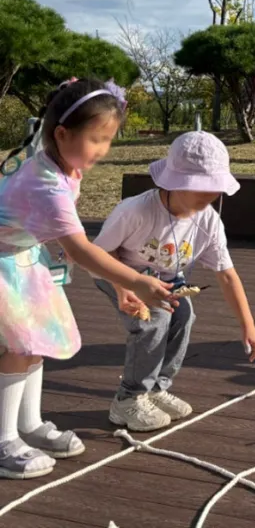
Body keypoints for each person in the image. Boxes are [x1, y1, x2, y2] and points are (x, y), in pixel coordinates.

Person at [0, 79, 175, 480]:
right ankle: (4, 439)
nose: (103, 149)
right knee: (20, 346)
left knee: (38, 342)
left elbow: (73, 244)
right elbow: (80, 248)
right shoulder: (45, 185)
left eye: (108, 139)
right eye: (96, 139)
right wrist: (137, 280)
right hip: (5, 261)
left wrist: (120, 285)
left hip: (23, 258)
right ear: (62, 134)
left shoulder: (61, 165)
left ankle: (29, 424)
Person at [93, 131, 255, 432]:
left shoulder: (208, 221)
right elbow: (100, 253)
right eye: (200, 188)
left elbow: (227, 275)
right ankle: (128, 398)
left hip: (165, 278)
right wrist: (124, 288)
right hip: (117, 271)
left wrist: (248, 325)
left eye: (214, 189)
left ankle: (156, 389)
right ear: (174, 183)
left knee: (183, 316)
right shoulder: (135, 211)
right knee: (154, 319)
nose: (209, 196)